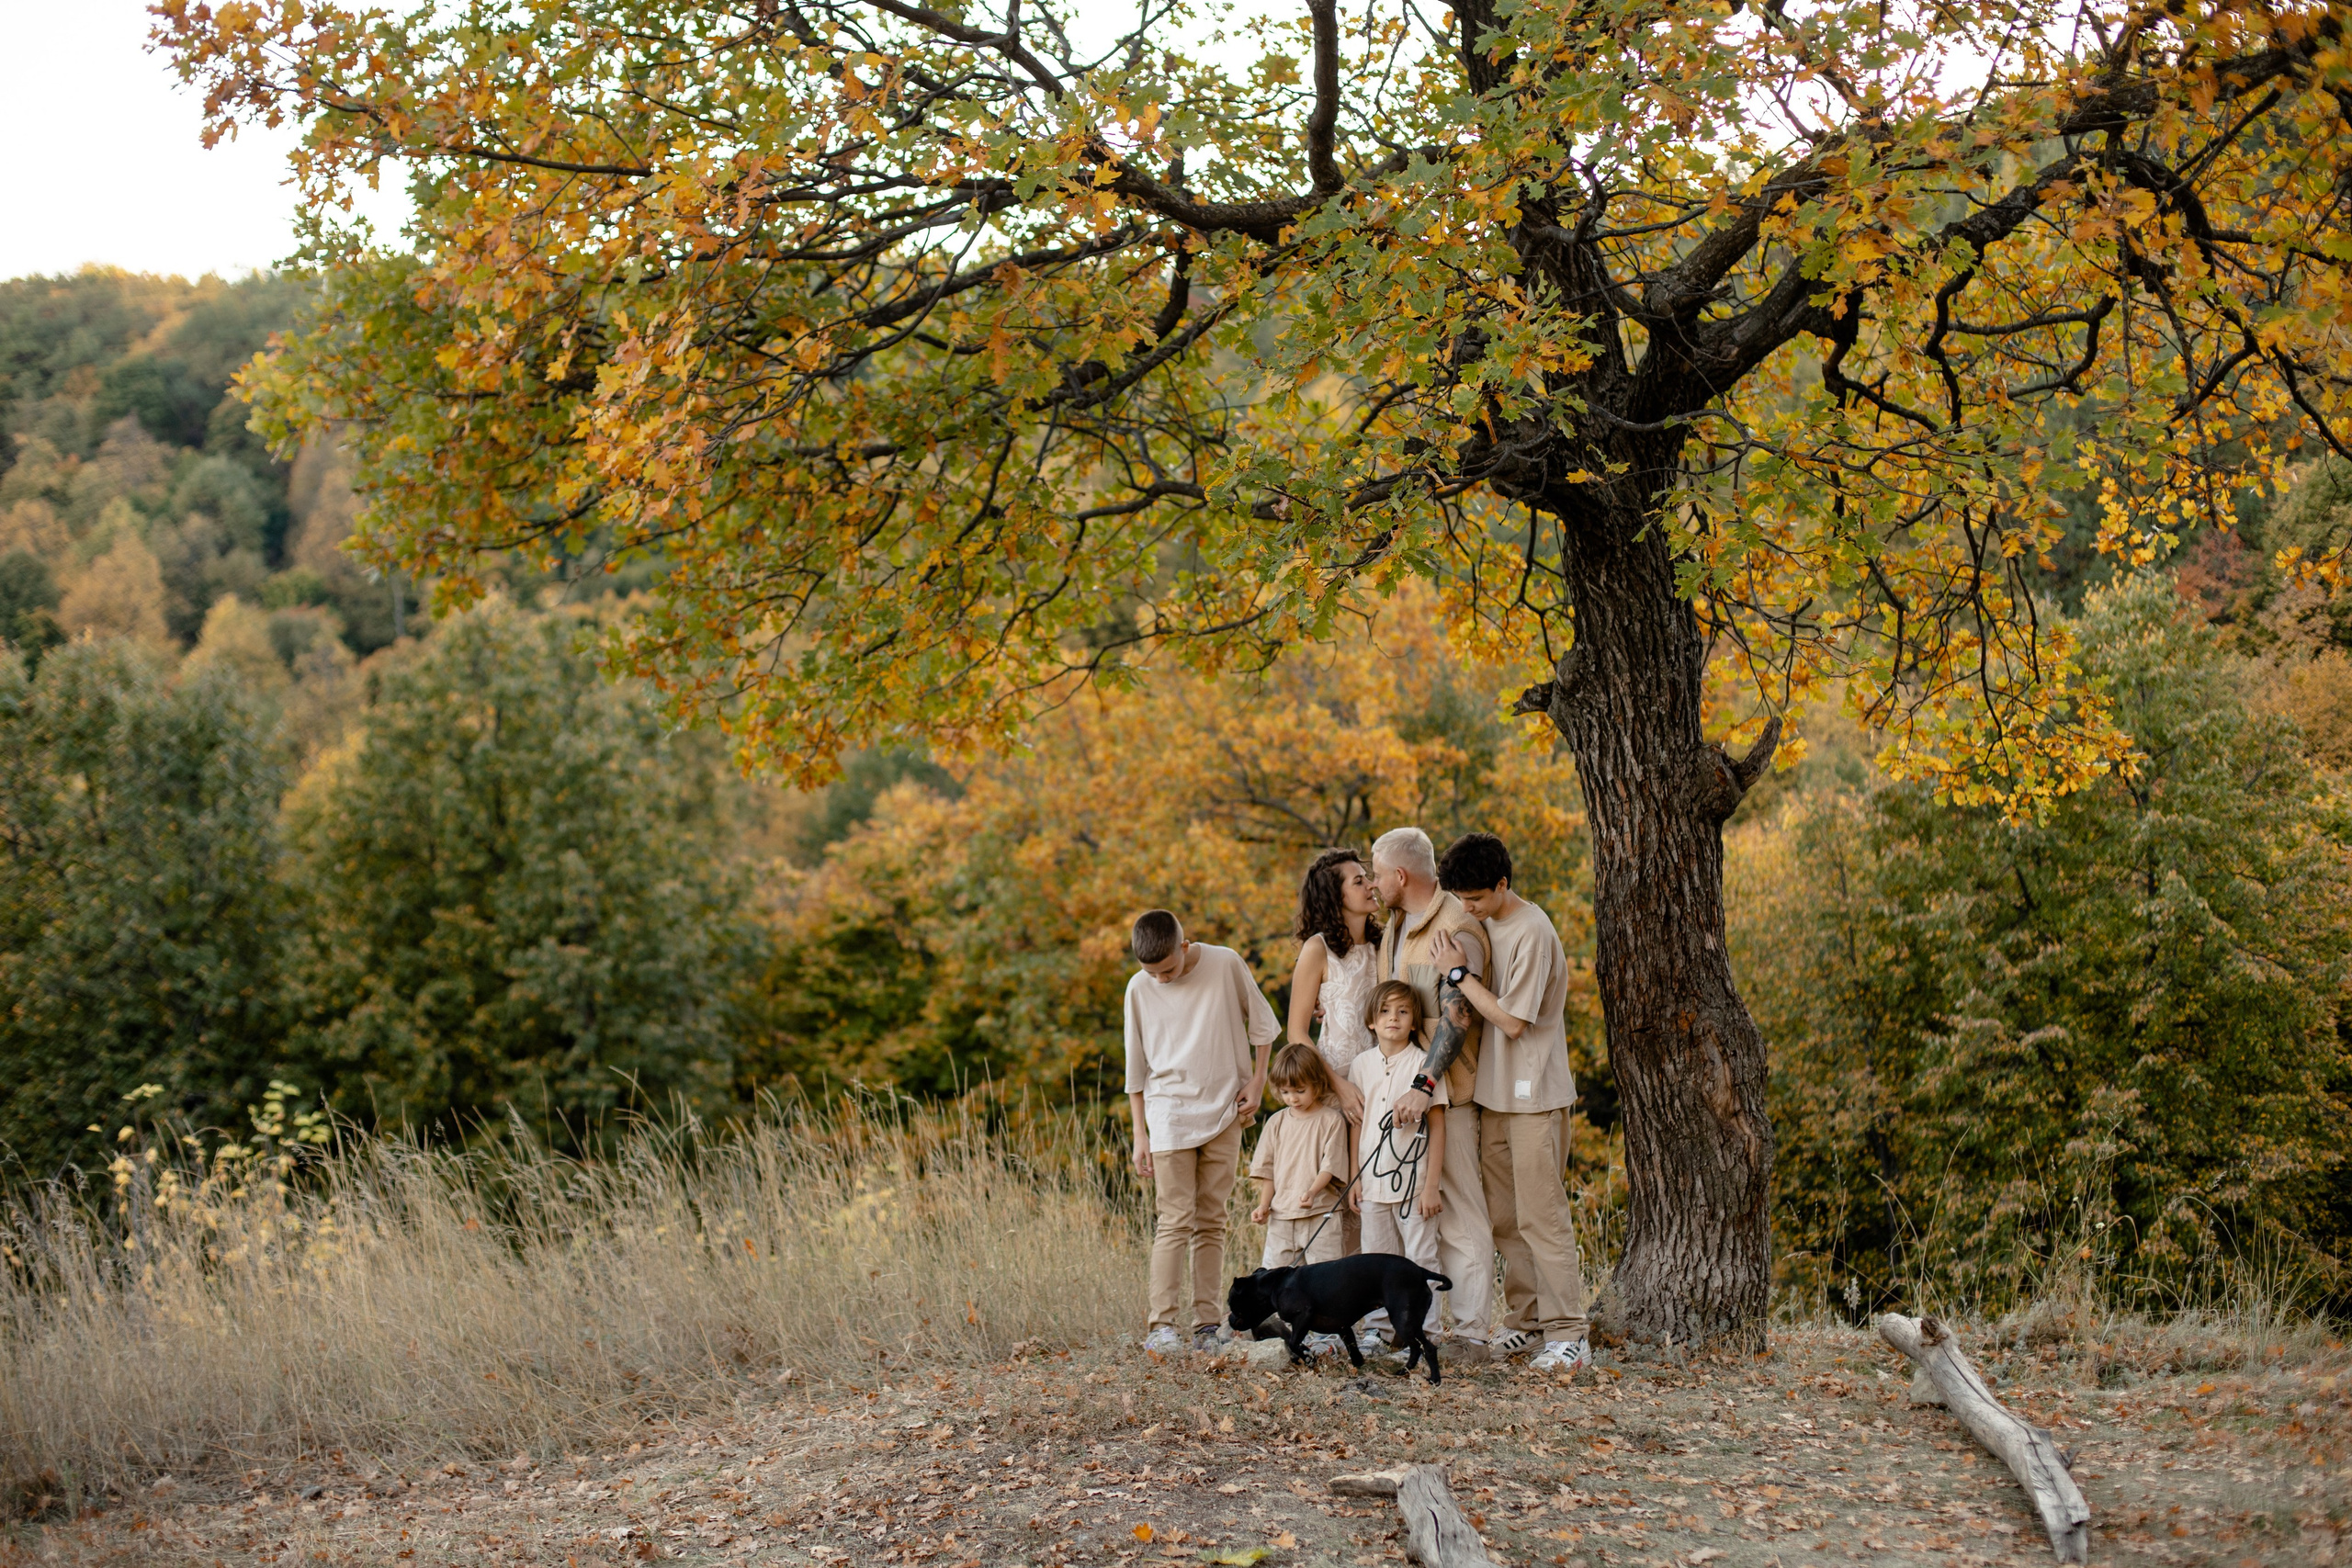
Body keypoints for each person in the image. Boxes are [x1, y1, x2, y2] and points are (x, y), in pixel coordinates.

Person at [1431, 831, 1590, 1373]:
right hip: (1495, 1096)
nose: (1467, 908)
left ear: (1503, 884)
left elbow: (1514, 1022)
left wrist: (1458, 976)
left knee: (1543, 1218)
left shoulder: (1533, 930)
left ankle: (1569, 1332)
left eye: (1475, 898)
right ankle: (1527, 1321)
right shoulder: (1490, 922)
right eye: (1462, 899)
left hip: (1535, 1095)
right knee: (1506, 1218)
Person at [1124, 908, 1281, 1356]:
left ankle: (1207, 1325)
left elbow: (1265, 1025)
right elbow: (1136, 1071)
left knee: (1212, 1221)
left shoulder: (1226, 963)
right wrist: (1141, 1135)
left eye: (1168, 969)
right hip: (1169, 1116)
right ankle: (1162, 1326)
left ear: (1185, 946)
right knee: (1174, 1220)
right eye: (1152, 972)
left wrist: (1257, 1080)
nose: (1162, 979)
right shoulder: (1139, 988)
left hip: (1224, 1111)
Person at [1371, 825, 1497, 1359]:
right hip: (1399, 1099)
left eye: (1377, 875)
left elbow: (1458, 1017)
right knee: (1411, 1215)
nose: (1374, 885)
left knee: (1461, 1218)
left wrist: (1425, 1085)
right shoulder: (1395, 927)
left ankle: (1470, 1334)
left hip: (1450, 1095)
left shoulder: (1457, 927)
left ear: (1400, 875)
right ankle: (1410, 1327)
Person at [1346, 980, 1446, 1354]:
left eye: (1403, 1012)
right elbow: (1357, 1123)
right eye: (1386, 1011)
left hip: (1413, 1184)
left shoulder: (1423, 1064)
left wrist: (1431, 1185)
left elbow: (1438, 1124)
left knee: (1421, 1259)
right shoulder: (1361, 1065)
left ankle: (1426, 1334)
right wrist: (1355, 1177)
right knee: (1375, 1259)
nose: (1394, 1018)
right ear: (1371, 1021)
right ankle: (1378, 1330)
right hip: (1371, 1182)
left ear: (1414, 1021)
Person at [1284, 846, 1376, 1253]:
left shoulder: (1385, 942)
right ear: (1334, 896)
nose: (1371, 884)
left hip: (1379, 1082)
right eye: (1359, 881)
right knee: (1334, 1195)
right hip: (1334, 1085)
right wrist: (1338, 1086)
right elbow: (1297, 1032)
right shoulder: (1316, 949)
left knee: (1372, 1194)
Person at [1248, 1044, 1353, 1268]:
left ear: (1316, 1083)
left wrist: (1313, 1191)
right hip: (1281, 1218)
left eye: (1300, 1091)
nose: (1292, 1099)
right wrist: (1264, 1205)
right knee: (1276, 1281)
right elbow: (1268, 1171)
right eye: (1285, 1092)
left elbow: (1330, 1165)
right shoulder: (1276, 1122)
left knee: (1325, 1282)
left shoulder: (1331, 1120)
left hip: (1321, 1214)